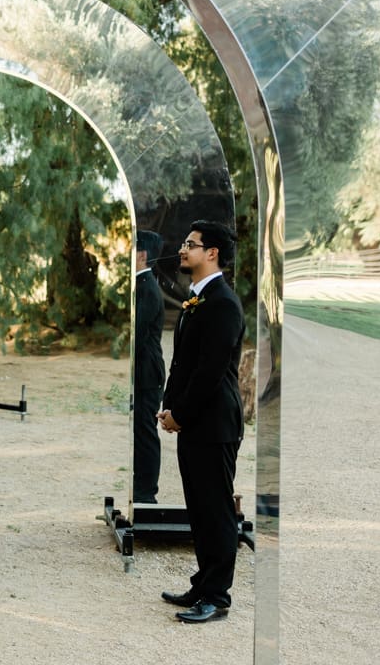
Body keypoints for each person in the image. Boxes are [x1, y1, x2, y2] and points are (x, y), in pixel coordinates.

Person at [156, 219, 244, 624]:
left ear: (212, 253)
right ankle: (202, 583)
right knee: (199, 508)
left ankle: (217, 597)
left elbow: (210, 373)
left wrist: (182, 414)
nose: (182, 249)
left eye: (190, 244)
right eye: (184, 242)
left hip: (214, 425)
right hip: (194, 423)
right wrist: (169, 406)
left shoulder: (223, 303)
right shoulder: (196, 299)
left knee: (217, 511)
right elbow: (183, 364)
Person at [132, 230, 166, 504]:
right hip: (142, 369)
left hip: (147, 371)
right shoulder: (141, 286)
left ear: (142, 255)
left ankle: (147, 492)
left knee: (145, 431)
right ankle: (139, 487)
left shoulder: (148, 289)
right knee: (139, 431)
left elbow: (138, 332)